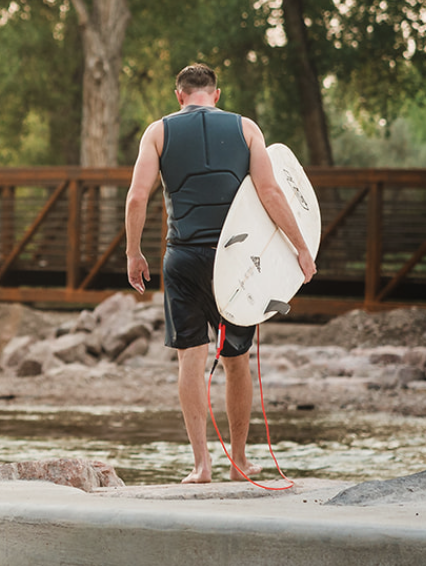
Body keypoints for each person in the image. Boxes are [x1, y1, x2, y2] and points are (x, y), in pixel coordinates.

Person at [124, 63, 316, 483]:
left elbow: (137, 197)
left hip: (182, 259)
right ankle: (239, 462)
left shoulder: (157, 132)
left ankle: (200, 465)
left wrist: (133, 252)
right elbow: (270, 192)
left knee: (189, 360)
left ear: (179, 96)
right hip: (233, 265)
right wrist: (301, 249)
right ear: (217, 94)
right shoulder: (247, 128)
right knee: (236, 360)